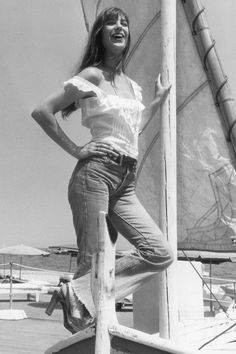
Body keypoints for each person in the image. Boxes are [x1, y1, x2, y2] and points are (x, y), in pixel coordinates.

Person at [31, 7, 173, 334]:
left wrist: (157, 101)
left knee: (160, 253)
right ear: (100, 33)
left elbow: (132, 131)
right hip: (95, 174)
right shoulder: (93, 75)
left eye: (124, 22)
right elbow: (42, 112)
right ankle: (86, 311)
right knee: (92, 262)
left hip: (126, 180)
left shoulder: (132, 87)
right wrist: (78, 150)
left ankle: (80, 295)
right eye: (111, 22)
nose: (119, 26)